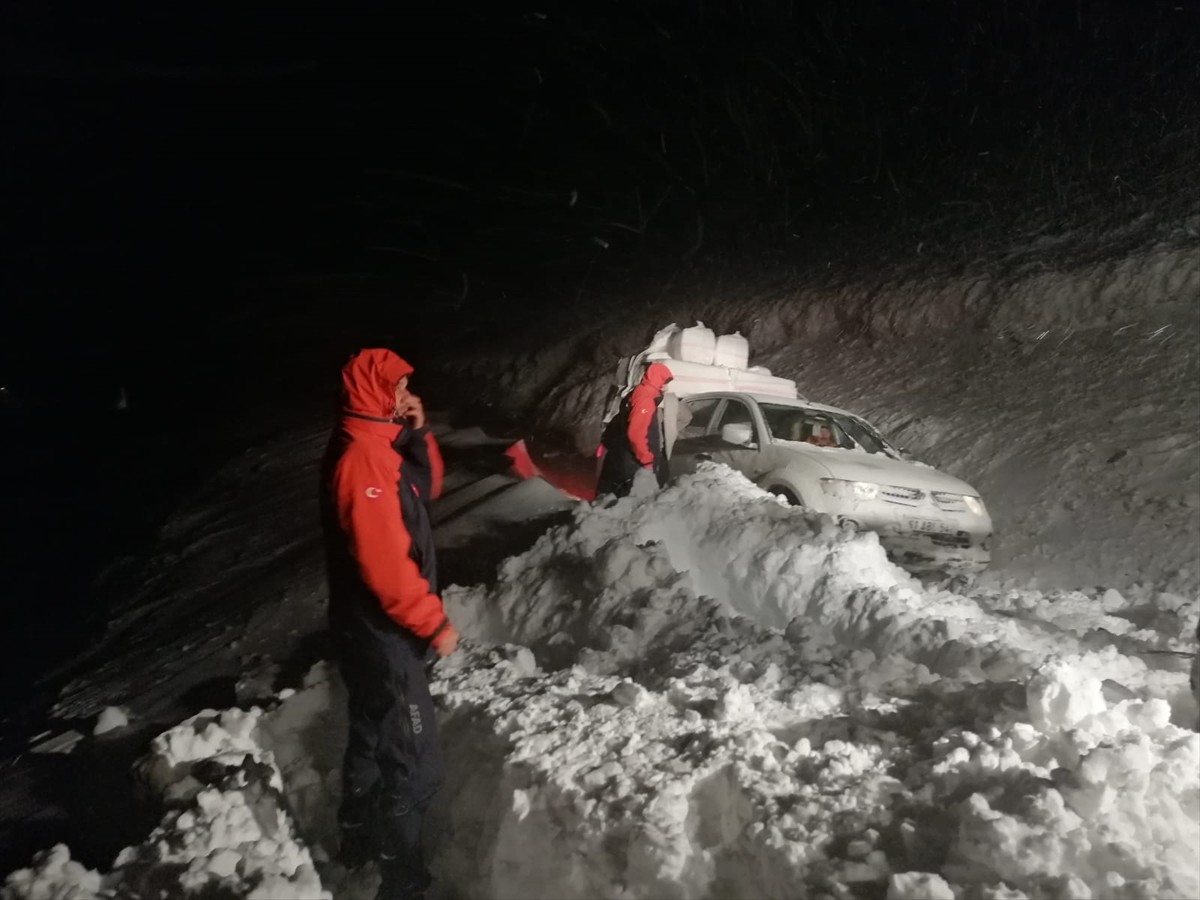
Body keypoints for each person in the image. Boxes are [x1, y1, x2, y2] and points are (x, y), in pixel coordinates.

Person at [321, 348, 459, 900]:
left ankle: (356, 838)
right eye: (397, 387)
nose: (405, 394)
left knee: (372, 735)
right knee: (415, 767)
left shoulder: (378, 444)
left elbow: (425, 491)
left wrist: (417, 434)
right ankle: (402, 883)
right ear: (374, 393)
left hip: (367, 629)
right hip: (383, 634)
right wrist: (433, 623)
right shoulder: (362, 459)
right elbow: (383, 563)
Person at [596, 361, 673, 497]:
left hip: (622, 457)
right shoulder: (645, 401)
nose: (667, 387)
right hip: (633, 464)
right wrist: (647, 460)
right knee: (627, 502)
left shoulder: (639, 391)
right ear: (658, 380)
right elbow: (636, 434)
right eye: (665, 382)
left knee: (608, 499)